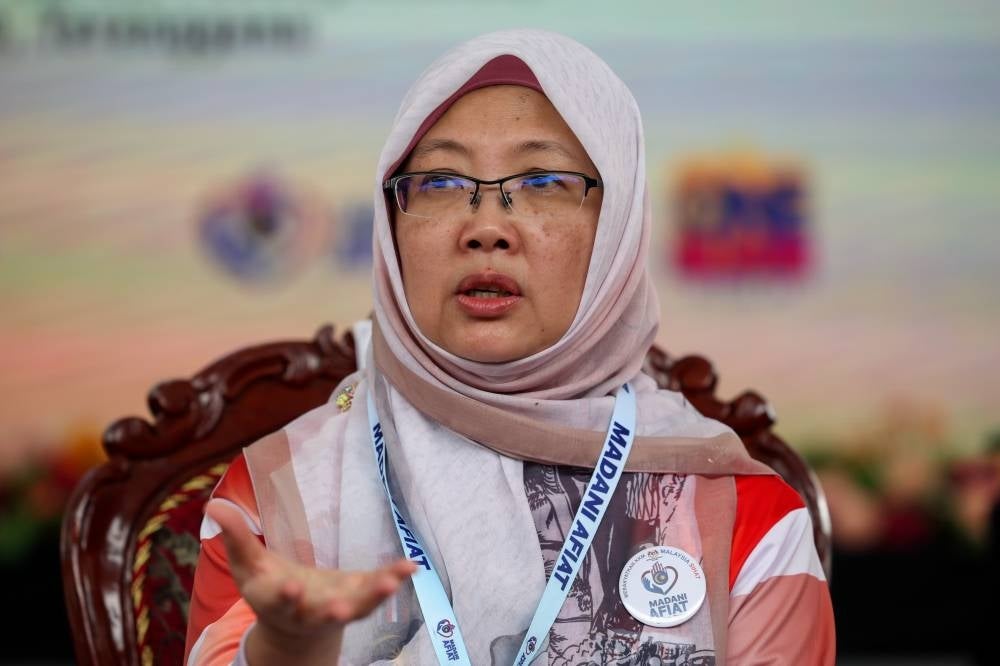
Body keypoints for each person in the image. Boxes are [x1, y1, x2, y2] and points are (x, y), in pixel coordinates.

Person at [184, 29, 835, 665]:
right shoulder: (279, 496)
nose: (486, 227)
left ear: (617, 225)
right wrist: (287, 652)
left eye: (544, 182)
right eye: (439, 182)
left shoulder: (739, 509)